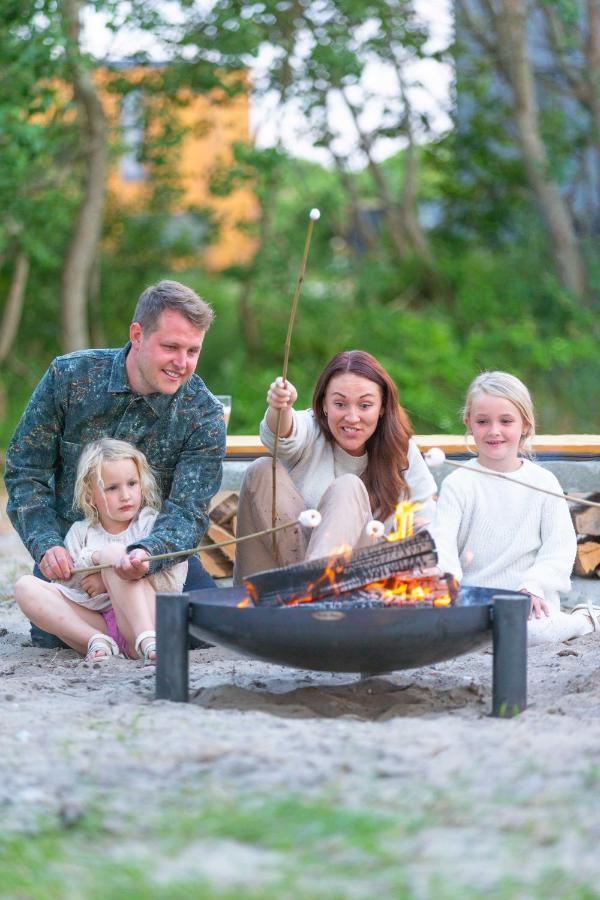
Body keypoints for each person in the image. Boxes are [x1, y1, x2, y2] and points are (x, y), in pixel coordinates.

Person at [4, 279, 226, 647]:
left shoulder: (203, 413)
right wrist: (47, 545)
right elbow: (25, 470)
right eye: (171, 347)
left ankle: (132, 634)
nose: (182, 363)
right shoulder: (69, 378)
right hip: (77, 558)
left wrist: (146, 555)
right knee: (49, 634)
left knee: (207, 630)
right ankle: (107, 638)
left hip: (156, 557)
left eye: (193, 351)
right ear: (137, 334)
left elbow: (188, 511)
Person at [234, 349, 437, 582]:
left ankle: (315, 587)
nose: (352, 417)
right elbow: (282, 436)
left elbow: (426, 523)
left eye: (364, 405)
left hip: (357, 580)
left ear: (382, 407)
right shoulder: (310, 429)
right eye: (340, 404)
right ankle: (304, 586)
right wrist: (280, 407)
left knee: (349, 486)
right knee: (261, 470)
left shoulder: (402, 449)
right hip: (284, 570)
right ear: (324, 405)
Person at [430, 371, 598, 645]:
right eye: (483, 421)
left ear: (526, 425)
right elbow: (443, 544)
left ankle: (582, 621)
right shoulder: (458, 483)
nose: (494, 430)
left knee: (529, 632)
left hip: (529, 607)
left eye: (505, 421)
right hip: (473, 605)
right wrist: (447, 581)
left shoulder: (543, 483)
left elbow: (559, 550)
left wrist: (533, 587)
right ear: (469, 423)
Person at [14, 438, 188, 662]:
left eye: (132, 484)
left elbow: (174, 582)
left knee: (114, 552)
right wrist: (96, 563)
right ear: (90, 494)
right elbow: (69, 585)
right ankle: (96, 640)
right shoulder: (81, 532)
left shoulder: (152, 525)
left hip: (150, 620)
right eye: (112, 488)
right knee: (24, 587)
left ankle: (147, 639)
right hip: (101, 626)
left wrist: (110, 574)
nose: (125, 495)